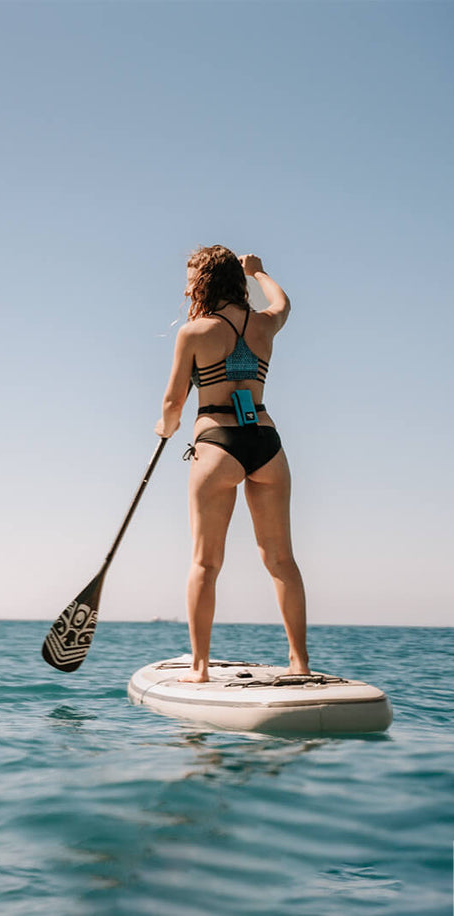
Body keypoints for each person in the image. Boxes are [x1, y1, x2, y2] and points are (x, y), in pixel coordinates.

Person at [154, 246, 310, 682]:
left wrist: (164, 428)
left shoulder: (195, 331)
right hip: (265, 441)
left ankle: (199, 668)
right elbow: (283, 303)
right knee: (282, 560)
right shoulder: (264, 325)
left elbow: (173, 402)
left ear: (202, 282)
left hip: (217, 442)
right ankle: (299, 663)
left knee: (206, 563)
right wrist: (259, 272)